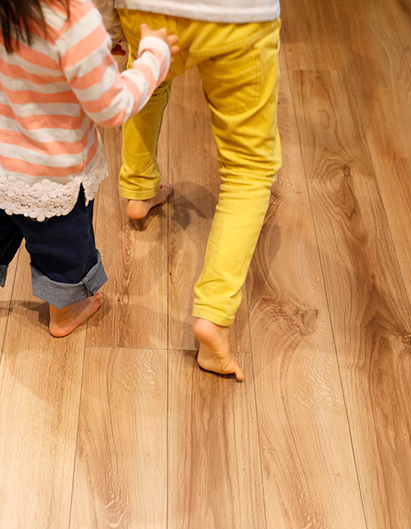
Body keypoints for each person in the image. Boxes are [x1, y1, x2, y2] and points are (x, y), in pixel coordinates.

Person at [0, 0, 179, 354]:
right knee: (64, 249)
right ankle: (64, 312)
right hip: (48, 175)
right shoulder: (71, 17)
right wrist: (154, 56)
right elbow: (113, 107)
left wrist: (93, 52)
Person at [107, 0, 281, 380]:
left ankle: (139, 187)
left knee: (148, 78)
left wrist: (109, 23)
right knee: (248, 168)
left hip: (145, 7)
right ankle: (213, 316)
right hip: (238, 17)